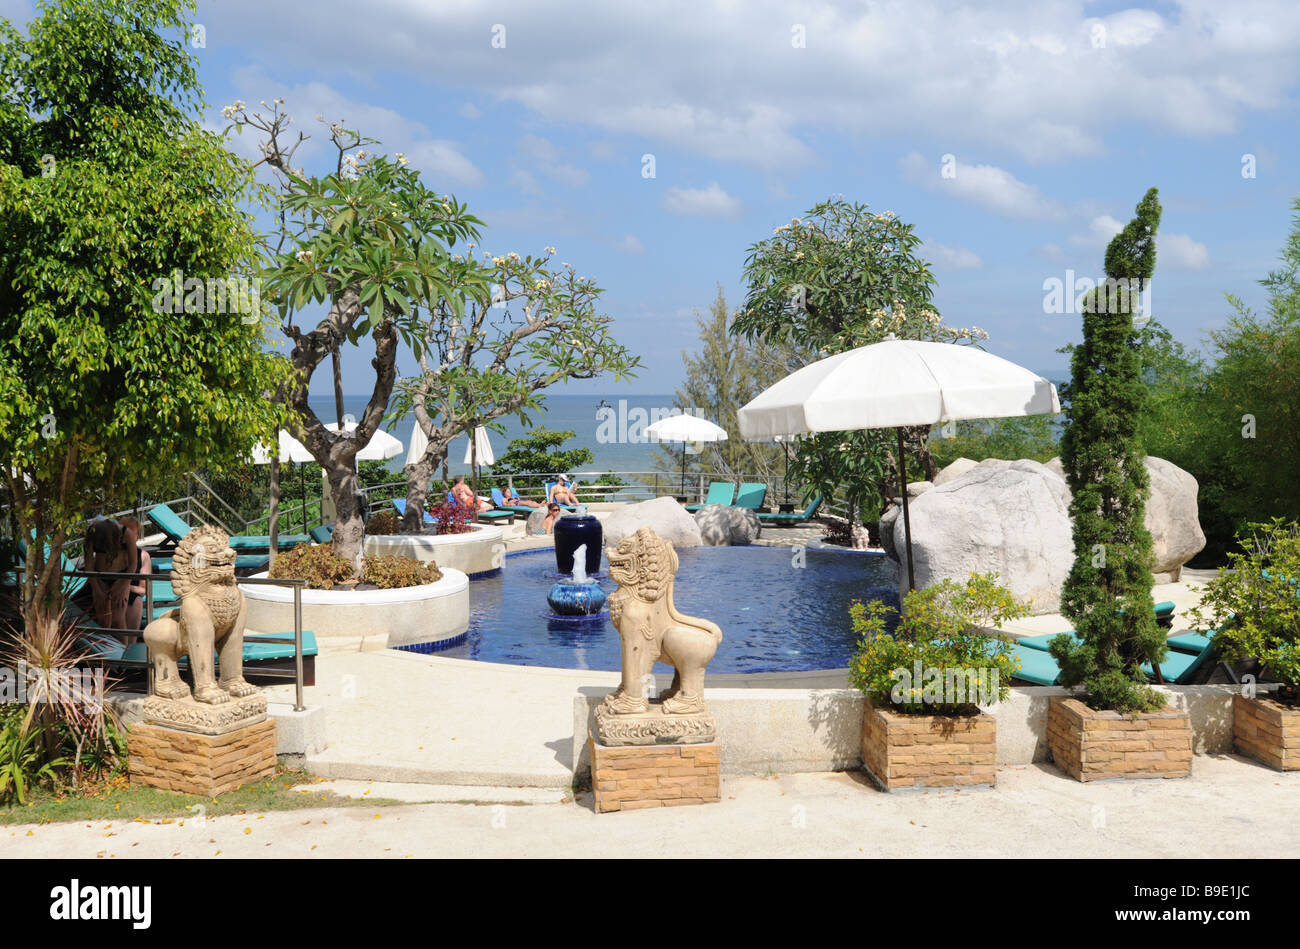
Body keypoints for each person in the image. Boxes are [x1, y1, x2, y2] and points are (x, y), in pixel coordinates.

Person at [84, 517, 132, 630]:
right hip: (100, 577)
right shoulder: (91, 535)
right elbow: (89, 567)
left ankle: (124, 647)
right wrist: (97, 590)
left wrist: (123, 586)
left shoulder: (125, 533)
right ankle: (106, 647)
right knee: (103, 621)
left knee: (118, 620)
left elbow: (133, 564)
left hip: (121, 577)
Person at [119, 516, 152, 632]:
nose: (127, 536)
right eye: (125, 530)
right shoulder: (109, 553)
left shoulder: (143, 556)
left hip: (131, 597)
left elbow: (144, 590)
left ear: (137, 537)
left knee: (136, 600)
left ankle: (130, 644)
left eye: (132, 532)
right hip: (110, 596)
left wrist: (125, 587)